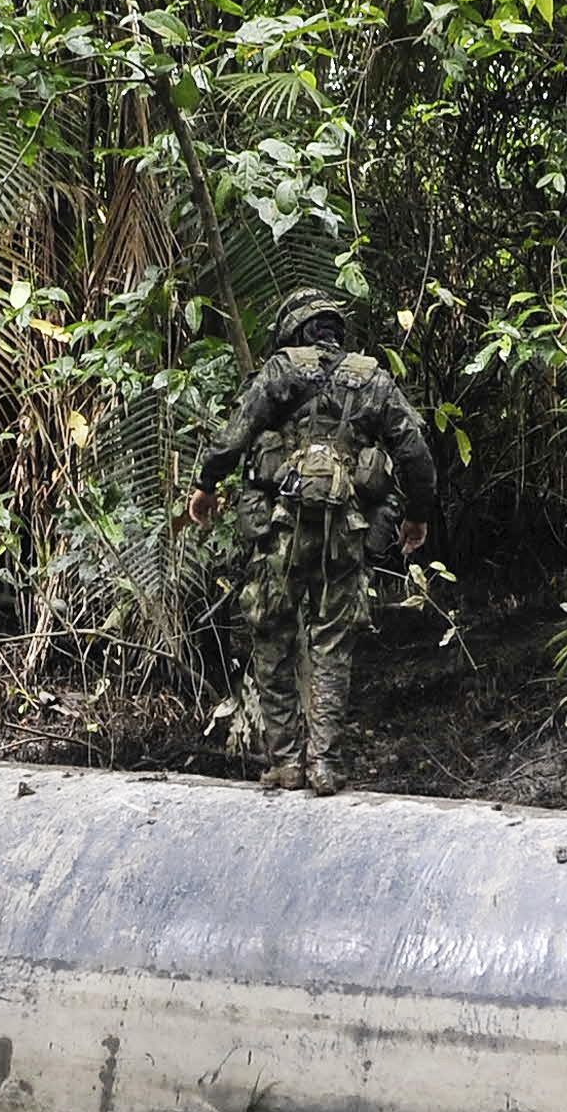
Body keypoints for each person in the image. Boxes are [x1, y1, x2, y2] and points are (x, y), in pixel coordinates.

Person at [186, 291, 442, 793]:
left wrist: (206, 484)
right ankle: (324, 763)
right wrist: (416, 517)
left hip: (280, 530)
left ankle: (284, 762)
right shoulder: (372, 378)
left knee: (272, 637)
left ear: (294, 330)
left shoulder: (282, 370)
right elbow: (416, 454)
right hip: (345, 533)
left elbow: (235, 435)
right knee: (332, 645)